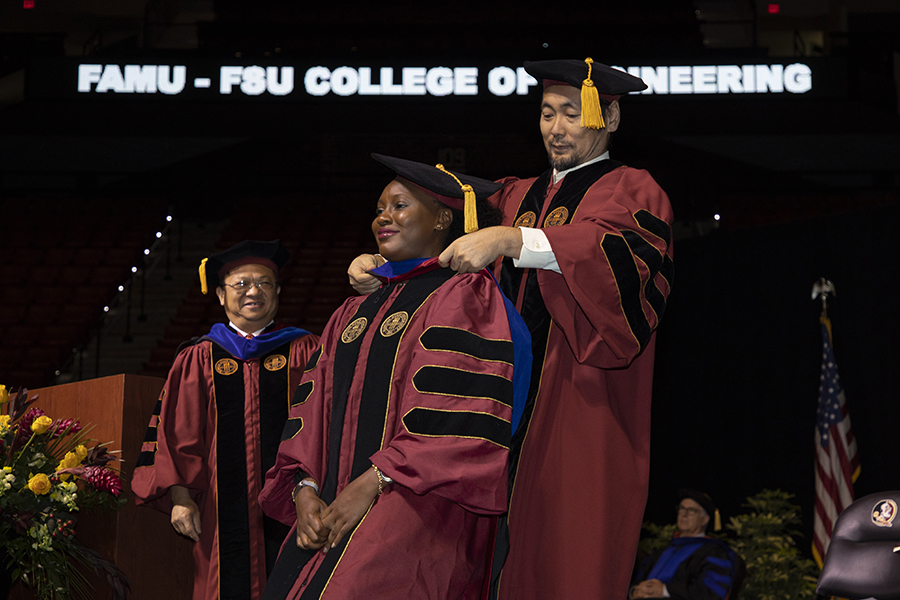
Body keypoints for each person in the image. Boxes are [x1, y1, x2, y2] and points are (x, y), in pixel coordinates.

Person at [348, 58, 674, 599]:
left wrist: (513, 241)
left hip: (582, 405)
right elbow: (437, 221)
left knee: (566, 562)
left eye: (573, 113)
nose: (557, 127)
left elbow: (625, 271)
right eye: (547, 113)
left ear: (610, 118)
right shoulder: (515, 196)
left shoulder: (633, 190)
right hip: (493, 410)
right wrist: (380, 264)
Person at [258, 154, 530, 600]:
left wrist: (371, 484)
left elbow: (458, 417)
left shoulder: (465, 294)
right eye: (380, 208)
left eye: (399, 206)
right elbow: (311, 407)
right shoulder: (355, 307)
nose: (383, 217)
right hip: (331, 503)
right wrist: (304, 490)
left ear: (444, 218)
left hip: (417, 508)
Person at [132, 239, 320, 600]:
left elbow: (322, 425)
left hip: (293, 499)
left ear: (278, 291)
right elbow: (177, 433)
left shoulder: (306, 349)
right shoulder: (198, 356)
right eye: (241, 284)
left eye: (264, 283)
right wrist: (181, 497)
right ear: (220, 295)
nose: (254, 291)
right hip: (219, 508)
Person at [630, 489, 739, 600]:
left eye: (691, 510)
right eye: (682, 508)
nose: (684, 513)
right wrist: (634, 592)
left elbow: (710, 593)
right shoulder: (662, 551)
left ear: (705, 520)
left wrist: (664, 590)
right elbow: (638, 580)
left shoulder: (714, 553)